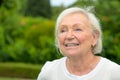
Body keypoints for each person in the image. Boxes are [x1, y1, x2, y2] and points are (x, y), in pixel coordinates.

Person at [37, 7, 120, 80]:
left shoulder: (114, 73)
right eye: (63, 30)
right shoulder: (49, 71)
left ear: (94, 37)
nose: (69, 36)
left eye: (77, 29)